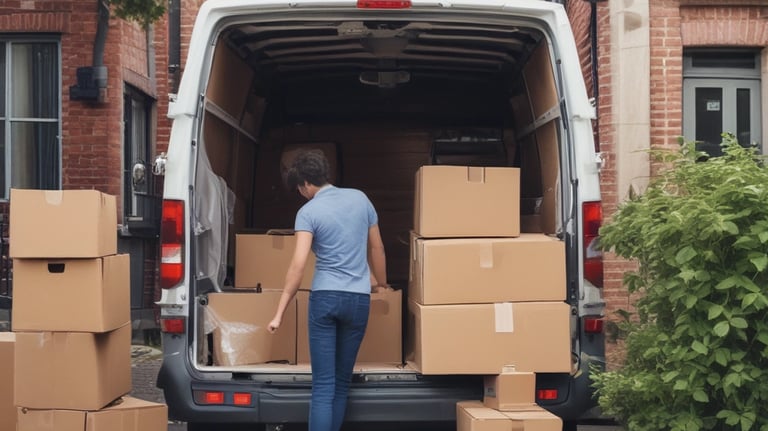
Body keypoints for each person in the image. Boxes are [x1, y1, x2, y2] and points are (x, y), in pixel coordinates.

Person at [267, 149, 388, 431]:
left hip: (325, 300)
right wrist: (381, 283)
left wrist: (279, 312)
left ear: (307, 184)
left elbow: (298, 266)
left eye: (299, 188)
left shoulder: (308, 212)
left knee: (323, 385)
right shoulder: (361, 199)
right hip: (358, 301)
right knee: (341, 382)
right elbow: (377, 248)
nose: (300, 193)